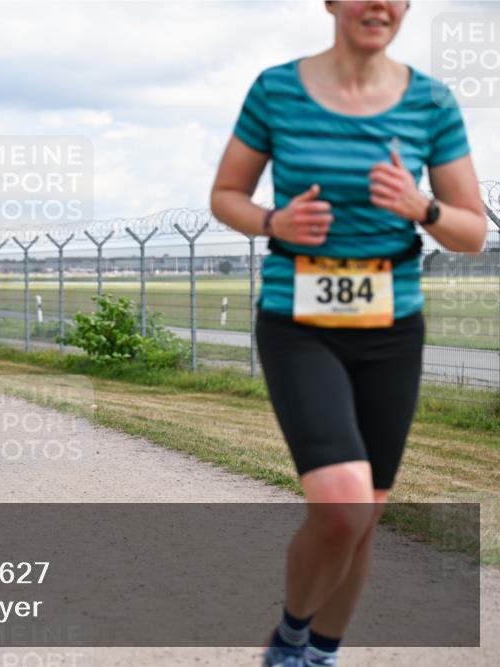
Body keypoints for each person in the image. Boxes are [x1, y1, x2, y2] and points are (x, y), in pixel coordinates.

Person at [209, 2, 488, 666]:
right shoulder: (277, 90)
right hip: (300, 324)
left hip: (391, 330)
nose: (379, 4)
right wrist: (272, 222)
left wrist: (422, 206)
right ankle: (289, 642)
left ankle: (320, 653)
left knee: (365, 517)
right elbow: (225, 195)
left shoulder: (430, 102)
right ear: (332, 3)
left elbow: (473, 232)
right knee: (341, 505)